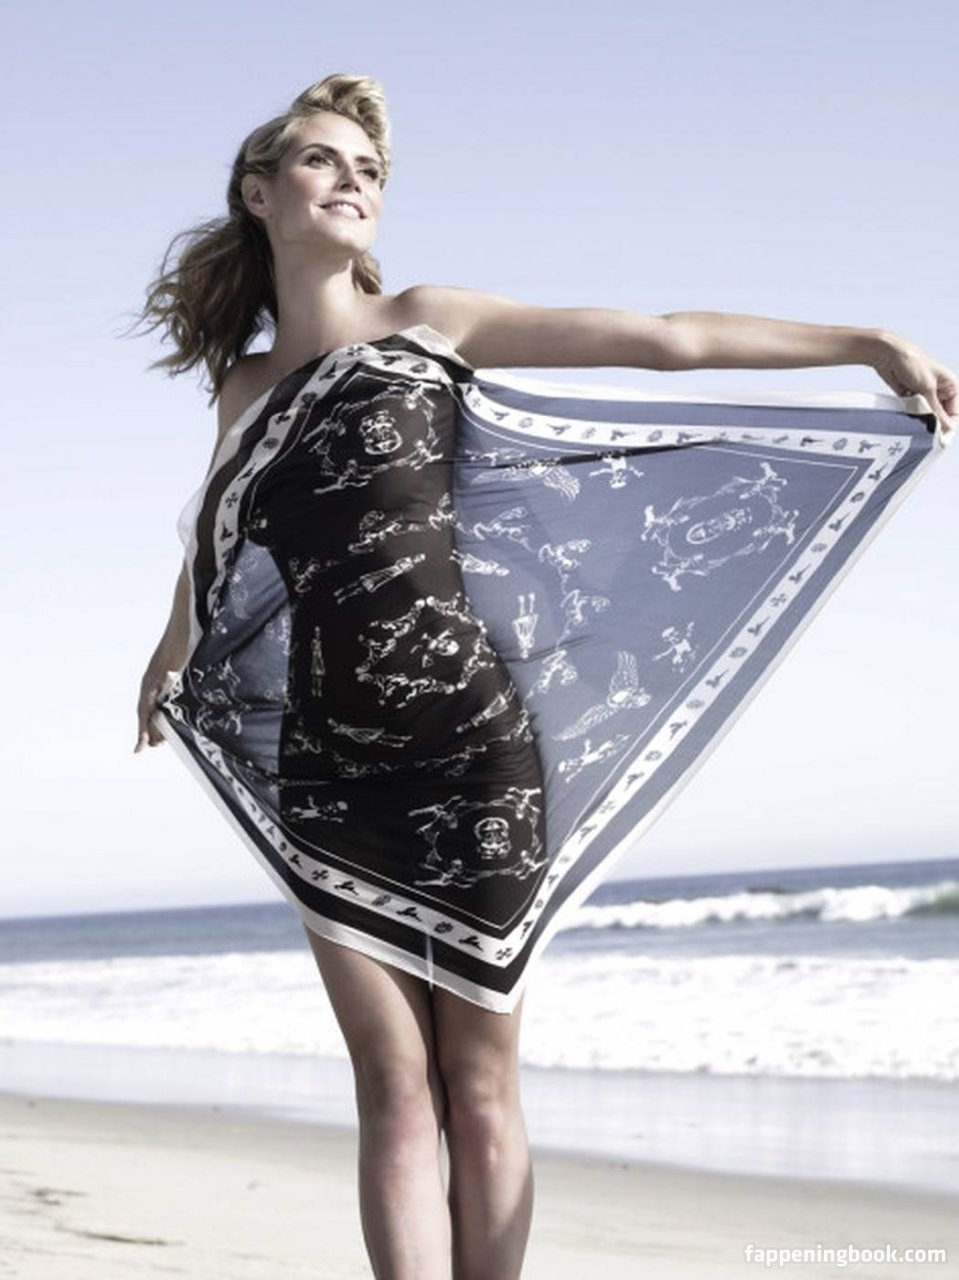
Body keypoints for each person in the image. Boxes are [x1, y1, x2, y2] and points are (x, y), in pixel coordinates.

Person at [132, 73, 956, 1280]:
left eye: (368, 168)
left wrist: (865, 340)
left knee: (476, 1078)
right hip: (327, 762)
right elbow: (218, 539)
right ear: (258, 193)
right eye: (321, 160)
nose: (352, 179)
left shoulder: (428, 323)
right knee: (389, 1080)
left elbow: (661, 338)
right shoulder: (244, 390)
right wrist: (170, 648)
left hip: (472, 747)